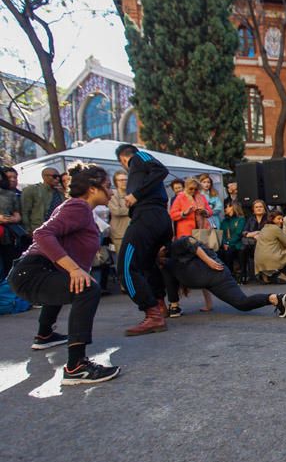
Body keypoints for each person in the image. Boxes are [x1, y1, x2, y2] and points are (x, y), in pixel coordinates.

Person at [8, 162, 120, 385]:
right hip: (32, 272)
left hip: (33, 272)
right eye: (108, 186)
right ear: (92, 188)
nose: (112, 191)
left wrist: (73, 270)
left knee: (74, 282)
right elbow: (42, 234)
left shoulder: (77, 208)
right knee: (87, 288)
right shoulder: (78, 207)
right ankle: (76, 366)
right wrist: (74, 269)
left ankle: (45, 335)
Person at [115, 143, 173, 336]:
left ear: (123, 158)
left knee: (125, 266)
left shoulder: (138, 158)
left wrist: (135, 195)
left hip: (148, 216)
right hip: (155, 217)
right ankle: (159, 305)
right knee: (148, 265)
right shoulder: (138, 168)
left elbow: (161, 169)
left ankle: (152, 314)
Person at [159, 236, 286, 318]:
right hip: (215, 278)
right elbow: (201, 279)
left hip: (217, 272)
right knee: (242, 304)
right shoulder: (170, 265)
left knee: (242, 303)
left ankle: (174, 306)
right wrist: (208, 304)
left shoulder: (174, 246)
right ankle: (276, 299)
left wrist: (209, 261)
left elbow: (190, 241)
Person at [254, 211, 286, 283]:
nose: (281, 221)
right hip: (270, 259)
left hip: (258, 260)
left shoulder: (264, 228)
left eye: (282, 219)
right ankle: (282, 274)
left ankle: (266, 275)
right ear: (272, 220)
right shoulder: (276, 228)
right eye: (279, 219)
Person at [21, 167, 63, 235]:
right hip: (38, 229)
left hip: (57, 230)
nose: (57, 179)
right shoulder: (32, 190)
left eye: (59, 177)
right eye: (54, 176)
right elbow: (25, 211)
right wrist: (28, 230)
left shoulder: (60, 193)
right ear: (44, 177)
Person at [0, 171, 22, 278]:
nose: (13, 179)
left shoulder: (10, 194)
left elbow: (17, 216)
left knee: (8, 267)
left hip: (7, 236)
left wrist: (7, 219)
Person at [241, 199, 269, 283]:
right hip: (251, 244)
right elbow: (244, 232)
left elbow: (270, 231)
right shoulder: (250, 219)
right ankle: (244, 275)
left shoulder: (268, 218)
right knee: (242, 250)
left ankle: (262, 274)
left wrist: (258, 234)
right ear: (253, 209)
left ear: (264, 208)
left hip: (265, 244)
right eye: (256, 207)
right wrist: (255, 233)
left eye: (261, 207)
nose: (259, 208)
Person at [220, 201, 247, 282]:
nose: (225, 209)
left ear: (233, 207)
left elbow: (238, 233)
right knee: (225, 252)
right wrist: (224, 243)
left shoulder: (241, 219)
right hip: (226, 244)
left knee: (239, 251)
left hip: (237, 243)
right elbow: (222, 234)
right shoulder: (224, 221)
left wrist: (228, 243)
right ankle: (230, 275)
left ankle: (243, 275)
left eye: (228, 207)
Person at [107, 170, 131, 258]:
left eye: (125, 179)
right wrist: (133, 208)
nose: (124, 182)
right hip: (119, 233)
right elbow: (116, 211)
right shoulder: (112, 194)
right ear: (115, 182)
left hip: (132, 231)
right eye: (121, 180)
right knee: (121, 260)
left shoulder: (132, 194)